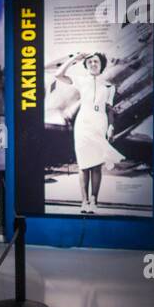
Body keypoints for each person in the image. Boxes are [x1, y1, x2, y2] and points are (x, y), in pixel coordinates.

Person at [55, 52, 123, 214]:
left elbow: (109, 109)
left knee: (97, 165)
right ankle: (84, 201)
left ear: (102, 65)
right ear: (86, 65)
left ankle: (94, 201)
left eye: (96, 62)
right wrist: (74, 59)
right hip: (83, 123)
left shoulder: (109, 86)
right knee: (84, 165)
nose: (93, 64)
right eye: (90, 62)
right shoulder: (80, 80)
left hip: (99, 123)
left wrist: (111, 127)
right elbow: (59, 74)